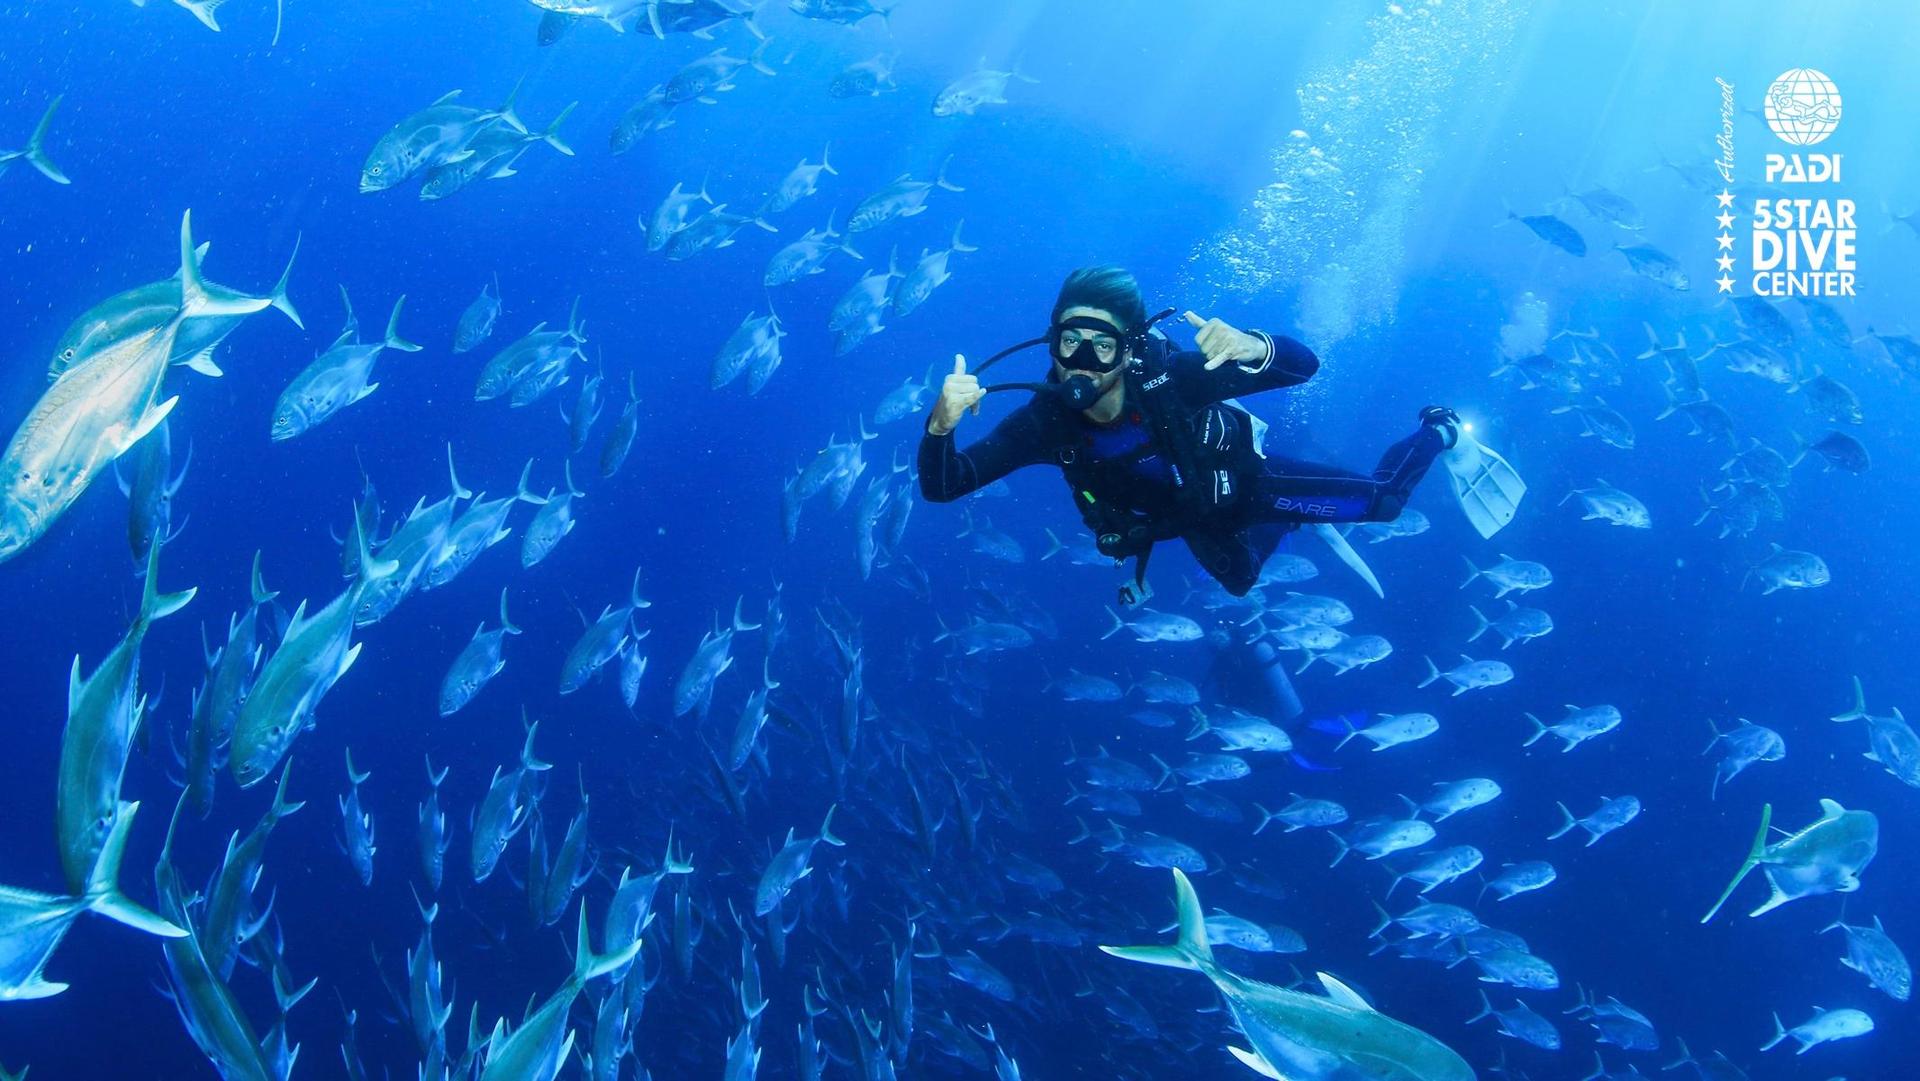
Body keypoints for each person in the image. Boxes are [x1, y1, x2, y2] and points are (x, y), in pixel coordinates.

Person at [918, 265, 1461, 603]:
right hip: (1188, 515)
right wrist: (939, 428)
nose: (1081, 361)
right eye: (1069, 341)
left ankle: (1440, 429)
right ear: (1051, 341)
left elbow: (1305, 365)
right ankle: (1294, 521)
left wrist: (1254, 346)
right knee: (1241, 582)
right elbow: (945, 486)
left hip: (1248, 483)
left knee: (1386, 503)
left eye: (1101, 344)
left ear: (1128, 347)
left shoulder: (1171, 381)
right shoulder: (1043, 422)